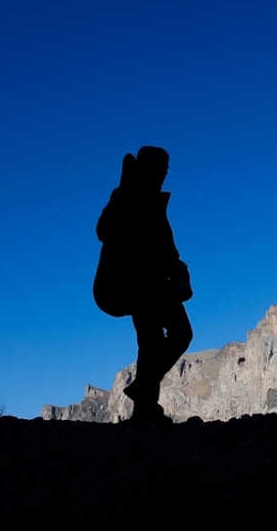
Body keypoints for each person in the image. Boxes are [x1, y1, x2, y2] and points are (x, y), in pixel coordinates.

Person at [95, 146, 193, 423]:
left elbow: (167, 248)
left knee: (182, 333)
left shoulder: (156, 204)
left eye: (165, 170)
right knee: (150, 336)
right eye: (159, 169)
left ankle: (142, 387)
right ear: (147, 168)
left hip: (156, 282)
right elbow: (104, 230)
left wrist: (176, 268)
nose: (163, 175)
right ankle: (145, 407)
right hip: (129, 282)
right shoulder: (126, 194)